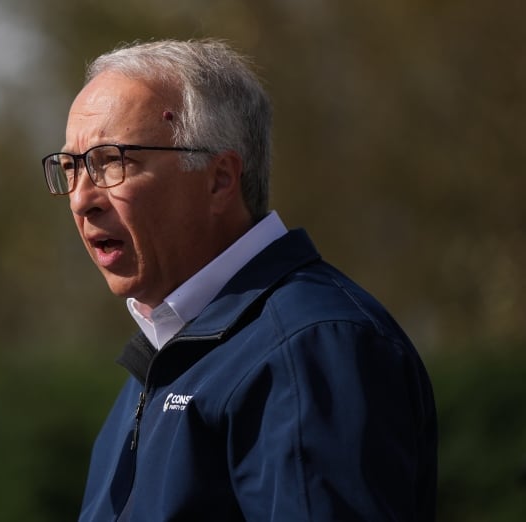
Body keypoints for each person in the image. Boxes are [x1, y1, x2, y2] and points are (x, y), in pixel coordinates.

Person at [42, 39, 437, 521]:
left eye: (111, 162)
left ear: (220, 179)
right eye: (71, 168)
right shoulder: (166, 358)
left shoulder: (310, 348)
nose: (82, 199)